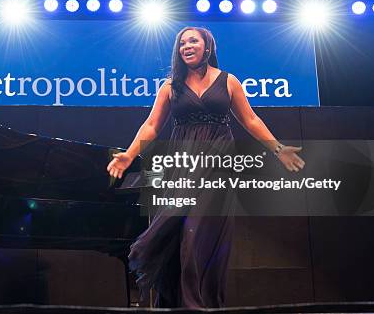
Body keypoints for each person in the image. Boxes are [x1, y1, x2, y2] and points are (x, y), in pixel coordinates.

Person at [107, 27, 305, 308]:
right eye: (182, 43)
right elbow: (151, 126)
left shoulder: (228, 81)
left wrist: (278, 148)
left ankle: (198, 304)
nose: (186, 46)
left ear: (207, 47)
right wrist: (128, 155)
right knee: (177, 234)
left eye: (193, 41)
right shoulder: (170, 87)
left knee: (198, 236)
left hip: (218, 164)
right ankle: (181, 303)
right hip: (182, 165)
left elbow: (250, 120)